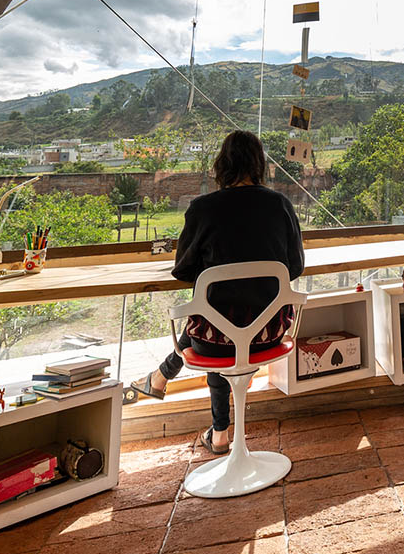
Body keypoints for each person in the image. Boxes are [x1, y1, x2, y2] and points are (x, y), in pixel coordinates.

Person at [129, 130, 304, 456]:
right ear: (259, 164)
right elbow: (295, 268)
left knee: (212, 320)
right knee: (216, 318)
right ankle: (166, 384)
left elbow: (183, 271)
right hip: (271, 333)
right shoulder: (280, 205)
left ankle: (216, 429)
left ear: (222, 164)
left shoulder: (203, 209)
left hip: (216, 340)